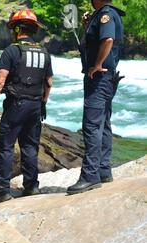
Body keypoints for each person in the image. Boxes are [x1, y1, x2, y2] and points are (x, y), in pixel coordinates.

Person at [0, 9, 54, 205]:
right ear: (32, 30)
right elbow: (49, 82)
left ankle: (1, 191)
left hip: (16, 105)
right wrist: (43, 103)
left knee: (6, 147)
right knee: (30, 147)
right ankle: (31, 186)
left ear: (16, 30)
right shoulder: (44, 52)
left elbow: (0, 80)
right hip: (35, 105)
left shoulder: (12, 50)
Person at [67, 0, 125, 195]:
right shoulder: (104, 14)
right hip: (107, 78)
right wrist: (88, 24)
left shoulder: (105, 14)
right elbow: (100, 37)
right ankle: (103, 170)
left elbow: (107, 39)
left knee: (91, 125)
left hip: (99, 77)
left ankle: (90, 176)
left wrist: (97, 64)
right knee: (104, 123)